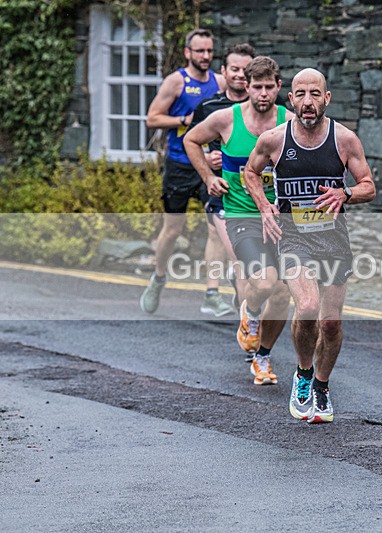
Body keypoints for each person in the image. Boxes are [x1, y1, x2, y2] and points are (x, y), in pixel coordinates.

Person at [243, 68, 375, 423]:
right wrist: (264, 206)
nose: (308, 102)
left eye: (315, 94)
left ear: (326, 98)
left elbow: (368, 186)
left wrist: (344, 192)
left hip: (333, 240)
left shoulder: (345, 139)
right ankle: (302, 374)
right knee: (308, 305)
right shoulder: (274, 139)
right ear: (291, 100)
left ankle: (321, 384)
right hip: (293, 237)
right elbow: (250, 172)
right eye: (300, 94)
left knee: (330, 323)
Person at [184, 56, 293, 385]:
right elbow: (190, 140)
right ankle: (250, 313)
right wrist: (207, 176)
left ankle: (262, 356)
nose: (263, 94)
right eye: (257, 87)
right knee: (263, 283)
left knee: (283, 293)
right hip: (240, 213)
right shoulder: (226, 119)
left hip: (281, 217)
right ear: (246, 86)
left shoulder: (290, 122)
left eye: (268, 87)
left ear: (278, 87)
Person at [140, 29, 234, 318]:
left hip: (209, 167)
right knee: (172, 230)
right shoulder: (176, 81)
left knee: (216, 226)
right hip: (180, 165)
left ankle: (212, 293)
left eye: (209, 51)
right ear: (187, 53)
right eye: (200, 51)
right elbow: (152, 118)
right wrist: (184, 120)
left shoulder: (220, 82)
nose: (205, 56)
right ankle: (158, 277)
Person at [188, 43, 256, 319]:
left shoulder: (270, 110)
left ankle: (246, 307)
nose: (240, 75)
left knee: (250, 260)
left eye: (246, 70)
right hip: (222, 188)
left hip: (259, 193)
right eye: (235, 69)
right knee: (231, 246)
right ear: (224, 71)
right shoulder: (209, 107)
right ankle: (219, 296)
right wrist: (208, 163)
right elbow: (191, 143)